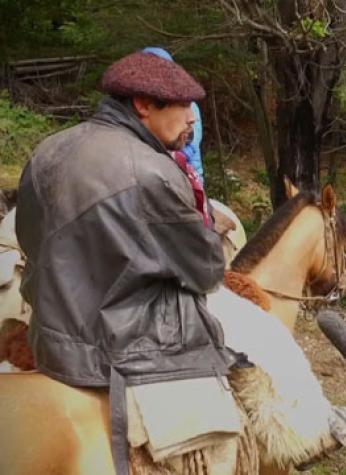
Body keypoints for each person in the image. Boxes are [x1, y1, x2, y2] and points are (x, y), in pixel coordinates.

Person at [16, 50, 234, 472]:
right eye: (182, 106)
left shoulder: (47, 150)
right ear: (143, 105)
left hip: (50, 336)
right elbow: (206, 270)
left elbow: (30, 237)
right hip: (118, 352)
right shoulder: (154, 171)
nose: (192, 118)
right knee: (247, 371)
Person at [142, 46, 205, 184]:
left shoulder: (187, 104)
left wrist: (166, 158)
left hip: (189, 176)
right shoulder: (148, 105)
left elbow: (191, 144)